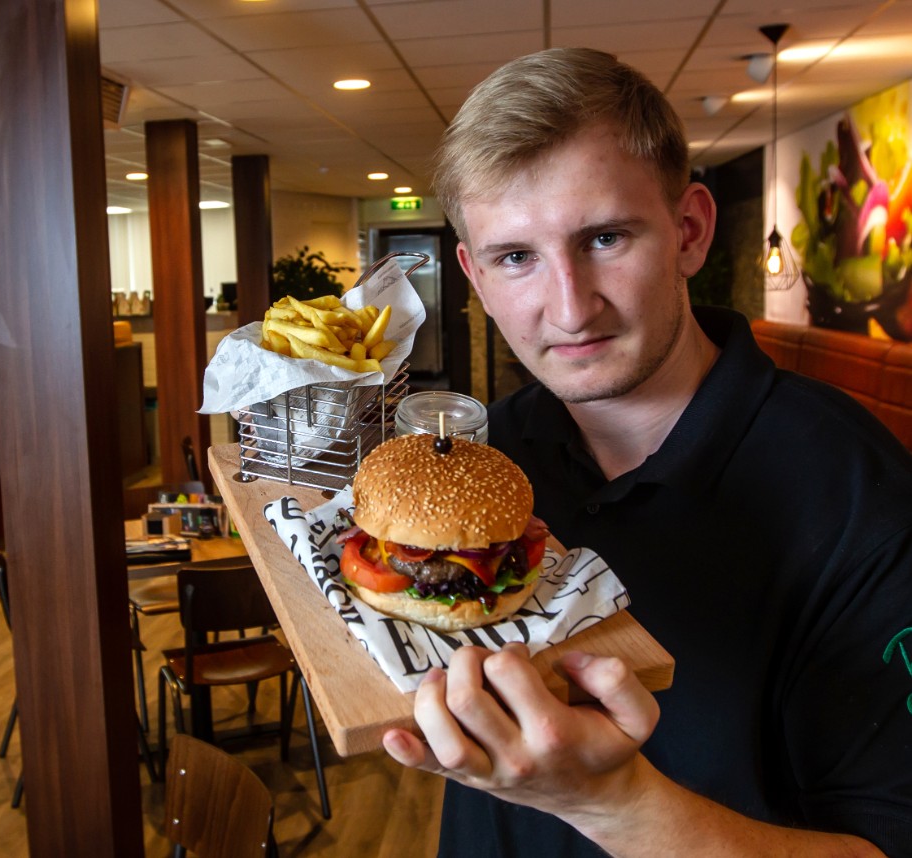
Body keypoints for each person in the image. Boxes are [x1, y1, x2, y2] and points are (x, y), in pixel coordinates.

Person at [381, 47, 912, 856]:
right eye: (515, 257)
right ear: (476, 279)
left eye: (603, 238)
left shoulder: (860, 495)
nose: (568, 307)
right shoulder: (489, 453)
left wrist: (612, 804)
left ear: (688, 231)